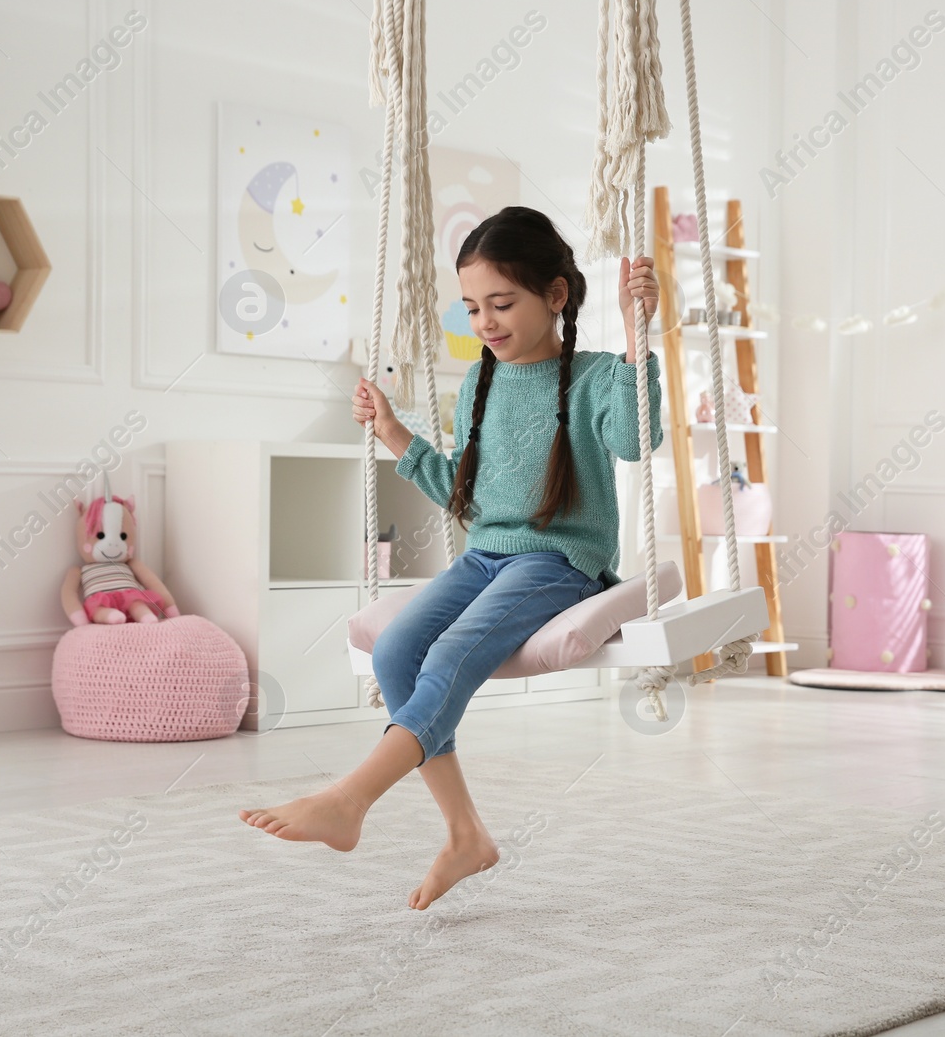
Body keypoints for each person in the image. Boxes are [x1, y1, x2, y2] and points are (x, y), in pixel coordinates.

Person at [238, 205, 664, 909]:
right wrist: (394, 430)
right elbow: (462, 490)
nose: (486, 323)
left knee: (448, 654)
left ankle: (350, 798)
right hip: (484, 557)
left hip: (555, 563)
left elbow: (631, 439)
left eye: (502, 303)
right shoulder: (479, 383)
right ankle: (465, 834)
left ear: (556, 295)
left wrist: (637, 340)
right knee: (397, 652)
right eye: (471, 308)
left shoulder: (593, 377)